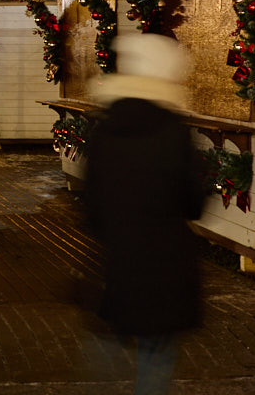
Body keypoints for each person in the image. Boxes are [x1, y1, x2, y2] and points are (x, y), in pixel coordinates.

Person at [83, 33, 207, 395]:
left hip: (117, 260)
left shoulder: (105, 129)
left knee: (107, 346)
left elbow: (92, 204)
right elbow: (193, 202)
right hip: (166, 264)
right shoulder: (173, 131)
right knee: (157, 353)